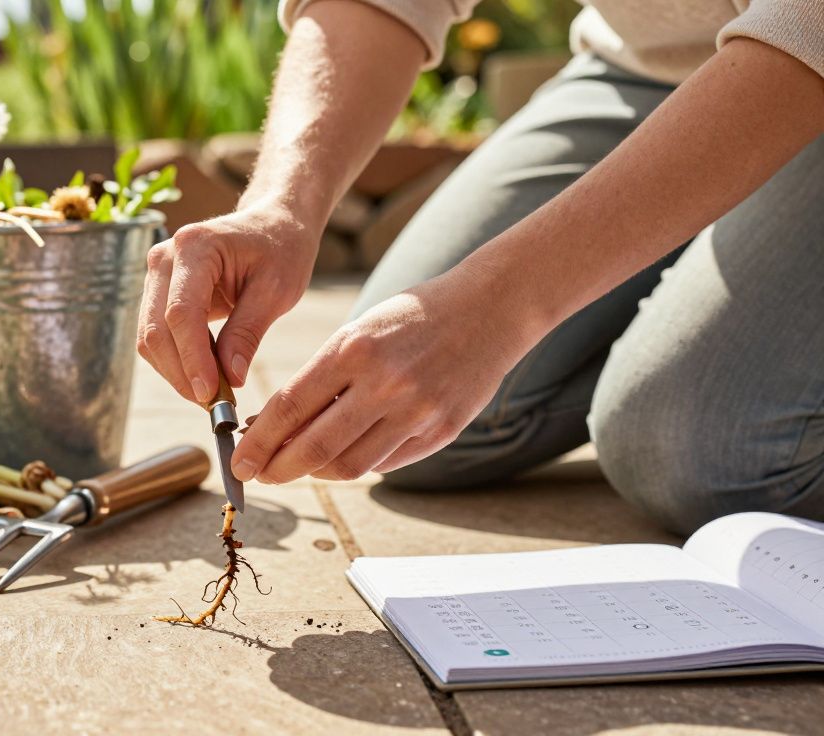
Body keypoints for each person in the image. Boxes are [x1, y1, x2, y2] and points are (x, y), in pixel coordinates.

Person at [135, 0, 824, 535]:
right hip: (649, 68)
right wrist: (279, 208)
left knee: (700, 447)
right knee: (410, 422)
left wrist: (503, 306)